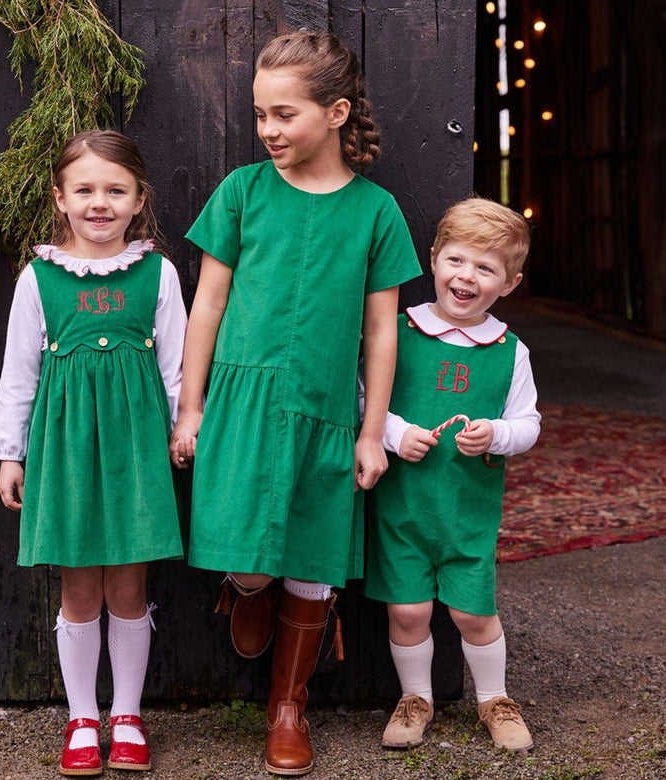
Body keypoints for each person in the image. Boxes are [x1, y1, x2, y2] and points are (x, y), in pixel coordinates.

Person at [169, 29, 421, 776]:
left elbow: (382, 329)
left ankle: (289, 707)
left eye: (284, 114)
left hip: (325, 408)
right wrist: (191, 407)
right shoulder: (242, 193)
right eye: (259, 115)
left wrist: (372, 431)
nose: (268, 131)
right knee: (243, 542)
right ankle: (246, 586)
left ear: (337, 111)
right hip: (242, 402)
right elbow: (206, 305)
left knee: (314, 551)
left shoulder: (377, 212)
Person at [0, 130, 187, 776]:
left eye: (115, 190)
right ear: (61, 198)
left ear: (138, 200)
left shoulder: (157, 273)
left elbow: (177, 364)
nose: (99, 203)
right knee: (79, 590)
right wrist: (10, 453)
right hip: (67, 450)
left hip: (135, 449)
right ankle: (82, 718)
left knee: (129, 588)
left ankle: (126, 715)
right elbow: (19, 372)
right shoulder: (39, 277)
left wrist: (186, 426)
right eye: (85, 190)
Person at [365, 197, 540, 752]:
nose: (468, 276)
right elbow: (361, 396)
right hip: (404, 507)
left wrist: (496, 433)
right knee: (409, 609)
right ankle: (416, 698)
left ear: (509, 283)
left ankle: (495, 699)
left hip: (468, 510)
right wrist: (393, 434)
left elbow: (529, 423)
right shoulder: (397, 331)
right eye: (458, 261)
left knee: (472, 611)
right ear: (435, 258)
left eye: (486, 268)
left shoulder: (510, 351)